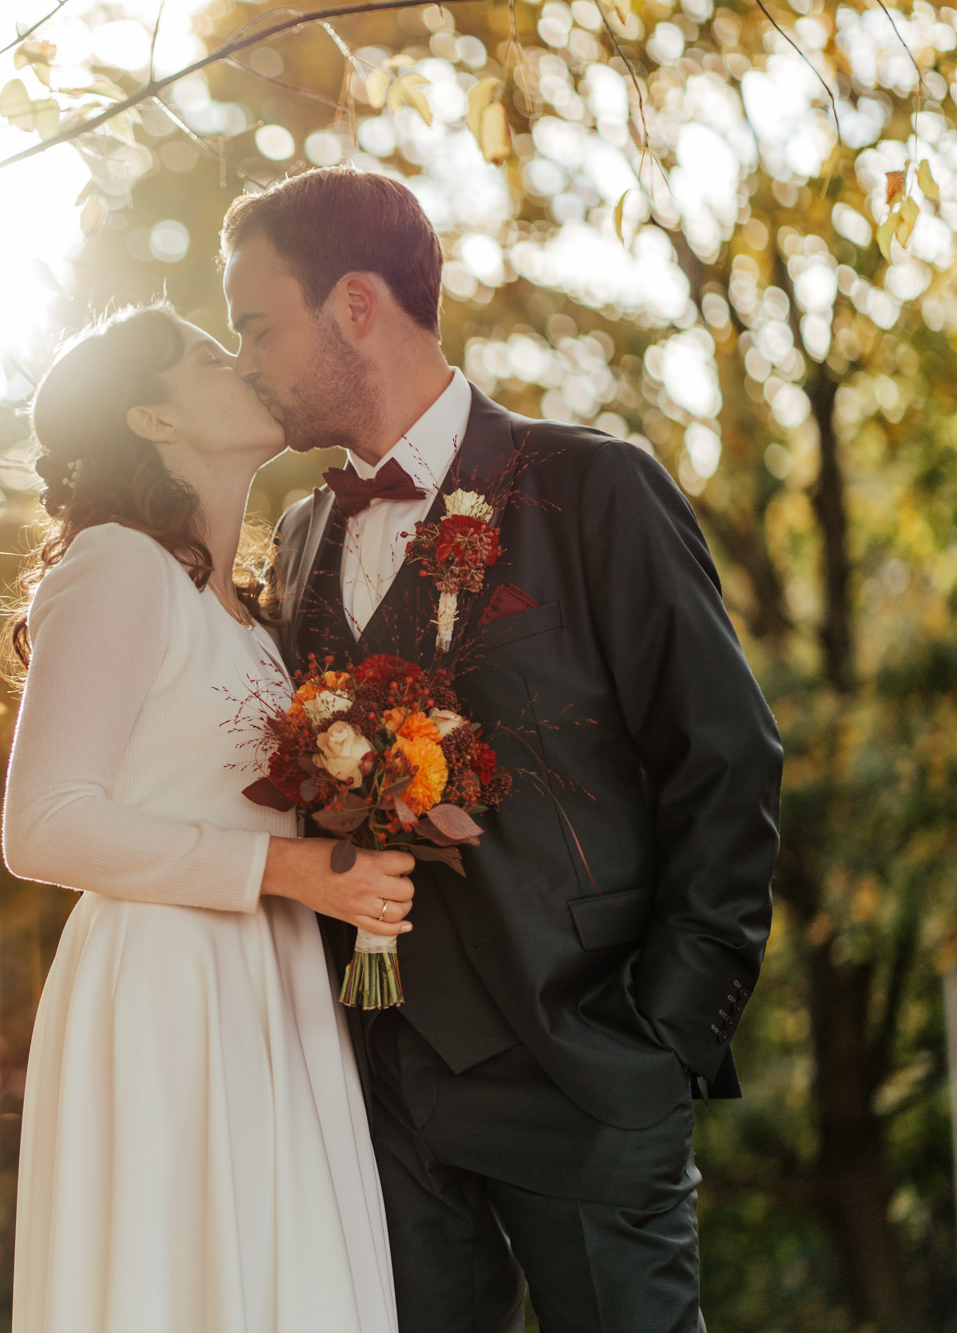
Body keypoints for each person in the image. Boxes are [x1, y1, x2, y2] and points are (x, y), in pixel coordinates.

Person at [222, 165, 782, 1332]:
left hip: (582, 1068)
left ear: (356, 305)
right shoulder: (298, 532)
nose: (243, 362)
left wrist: (664, 1038)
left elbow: (723, 760)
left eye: (256, 325)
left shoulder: (595, 488)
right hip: (368, 1096)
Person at [0, 302, 413, 1333]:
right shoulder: (113, 566)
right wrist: (286, 873)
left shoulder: (242, 612)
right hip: (166, 991)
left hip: (266, 984)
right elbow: (42, 823)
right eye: (201, 355)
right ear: (148, 420)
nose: (239, 363)